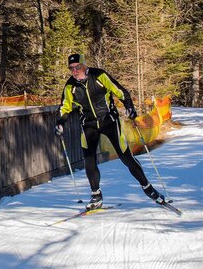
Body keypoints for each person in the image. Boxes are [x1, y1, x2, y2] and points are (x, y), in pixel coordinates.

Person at [55, 52, 163, 210]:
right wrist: (60, 122)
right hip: (89, 124)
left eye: (77, 67)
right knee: (89, 160)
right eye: (71, 68)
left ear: (85, 66)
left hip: (109, 121)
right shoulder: (70, 86)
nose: (75, 71)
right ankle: (96, 196)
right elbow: (65, 107)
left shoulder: (99, 76)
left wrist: (130, 108)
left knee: (125, 157)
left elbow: (121, 92)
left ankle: (147, 187)